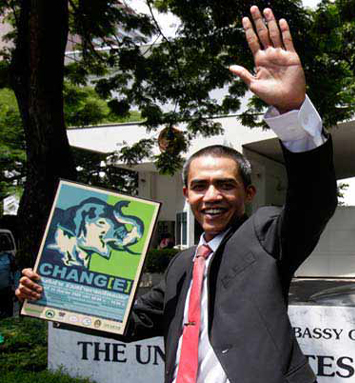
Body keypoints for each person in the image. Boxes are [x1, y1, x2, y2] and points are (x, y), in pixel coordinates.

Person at [16, 6, 336, 383]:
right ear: (186, 194)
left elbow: (313, 201)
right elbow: (130, 322)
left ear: (248, 193)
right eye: (200, 186)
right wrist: (50, 298)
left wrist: (289, 109)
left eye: (225, 184)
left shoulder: (265, 236)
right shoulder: (181, 266)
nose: (211, 195)